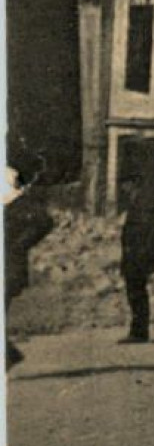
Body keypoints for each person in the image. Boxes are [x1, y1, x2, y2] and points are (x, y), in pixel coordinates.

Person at [5, 153, 56, 370]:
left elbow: (45, 221)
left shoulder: (20, 202)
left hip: (9, 267)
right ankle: (9, 354)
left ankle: (9, 354)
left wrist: (19, 245)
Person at [118, 168, 154, 344]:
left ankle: (139, 331)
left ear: (133, 183)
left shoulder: (142, 203)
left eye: (125, 183)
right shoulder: (138, 201)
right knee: (135, 292)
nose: (123, 188)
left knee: (137, 293)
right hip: (135, 255)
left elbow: (148, 232)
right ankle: (138, 329)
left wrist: (146, 255)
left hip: (138, 256)